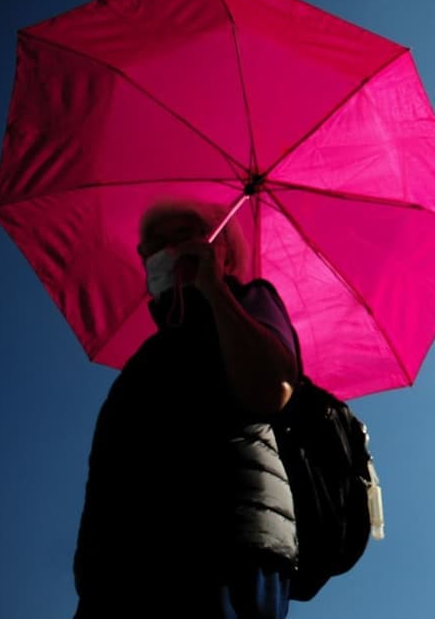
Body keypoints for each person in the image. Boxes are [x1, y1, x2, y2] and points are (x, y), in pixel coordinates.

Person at [73, 200, 299, 618]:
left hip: (221, 553)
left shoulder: (250, 299)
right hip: (120, 571)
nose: (167, 250)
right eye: (153, 245)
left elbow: (271, 389)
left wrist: (214, 289)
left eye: (183, 236)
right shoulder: (149, 356)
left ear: (223, 250)